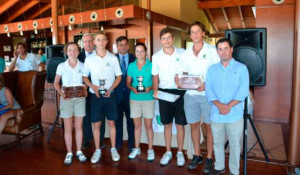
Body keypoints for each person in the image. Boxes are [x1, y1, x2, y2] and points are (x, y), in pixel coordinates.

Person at [179, 21, 219, 172]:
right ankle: (197, 154)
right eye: (192, 32)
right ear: (190, 35)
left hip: (208, 95)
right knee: (194, 126)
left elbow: (217, 71)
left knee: (209, 127)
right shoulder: (186, 53)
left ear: (203, 33)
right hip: (190, 95)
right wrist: (180, 81)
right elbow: (184, 73)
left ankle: (209, 157)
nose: (195, 35)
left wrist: (207, 84)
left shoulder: (212, 50)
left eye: (198, 31)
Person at [206, 38, 249, 175]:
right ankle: (219, 167)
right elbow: (209, 89)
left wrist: (228, 106)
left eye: (226, 48)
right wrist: (219, 105)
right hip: (216, 113)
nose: (223, 52)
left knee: (235, 145)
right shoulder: (212, 70)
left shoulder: (242, 68)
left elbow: (243, 91)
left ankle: (234, 171)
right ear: (217, 51)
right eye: (220, 49)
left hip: (234, 114)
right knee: (217, 143)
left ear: (231, 49)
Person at [83, 32, 122, 163]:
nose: (101, 42)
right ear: (94, 42)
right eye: (98, 40)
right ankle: (97, 150)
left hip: (110, 95)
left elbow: (119, 77)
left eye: (103, 40)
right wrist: (93, 87)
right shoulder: (89, 59)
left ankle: (113, 149)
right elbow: (84, 77)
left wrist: (111, 89)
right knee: (96, 124)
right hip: (96, 96)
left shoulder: (113, 58)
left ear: (106, 42)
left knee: (111, 123)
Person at [152, 27, 187, 166]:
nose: (166, 41)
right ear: (161, 40)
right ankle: (167, 152)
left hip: (181, 92)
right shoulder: (156, 56)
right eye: (163, 38)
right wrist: (155, 90)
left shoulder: (183, 53)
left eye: (168, 38)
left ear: (173, 38)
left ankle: (179, 152)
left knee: (180, 124)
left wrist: (183, 79)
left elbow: (186, 71)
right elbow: (155, 75)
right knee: (167, 124)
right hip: (164, 93)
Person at [54, 42, 87, 165]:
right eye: (70, 50)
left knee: (78, 127)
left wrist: (85, 89)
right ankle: (69, 153)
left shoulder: (83, 65)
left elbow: (85, 82)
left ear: (79, 52)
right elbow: (56, 82)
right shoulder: (61, 66)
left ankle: (78, 151)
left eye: (75, 50)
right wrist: (60, 93)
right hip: (66, 99)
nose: (72, 52)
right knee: (68, 128)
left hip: (80, 99)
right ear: (66, 52)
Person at [126, 43, 155, 161]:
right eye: (137, 51)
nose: (139, 54)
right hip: (134, 99)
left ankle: (150, 149)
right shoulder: (131, 66)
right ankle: (136, 148)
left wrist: (150, 88)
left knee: (148, 126)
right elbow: (128, 82)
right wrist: (132, 88)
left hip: (148, 99)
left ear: (146, 52)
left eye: (142, 51)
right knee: (137, 126)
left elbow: (156, 82)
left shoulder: (152, 65)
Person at [78, 33, 106, 150]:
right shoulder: (77, 56)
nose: (88, 44)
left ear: (94, 42)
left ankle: (100, 140)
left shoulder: (100, 55)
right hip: (83, 93)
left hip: (98, 91)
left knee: (100, 116)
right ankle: (87, 139)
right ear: (82, 44)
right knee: (85, 117)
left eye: (90, 41)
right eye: (86, 41)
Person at [114, 36, 135, 151]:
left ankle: (132, 145)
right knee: (118, 121)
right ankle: (118, 144)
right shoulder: (112, 59)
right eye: (121, 44)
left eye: (125, 44)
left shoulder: (134, 58)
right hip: (116, 96)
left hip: (131, 95)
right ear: (117, 46)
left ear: (128, 45)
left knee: (130, 121)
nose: (123, 47)